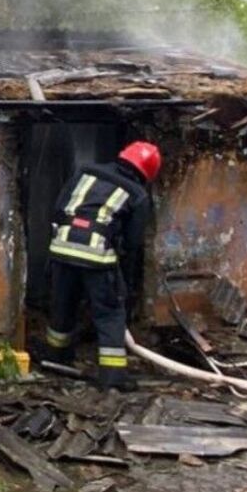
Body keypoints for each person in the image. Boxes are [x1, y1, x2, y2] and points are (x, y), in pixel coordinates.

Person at [39, 140, 159, 389]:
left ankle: (55, 359)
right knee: (110, 313)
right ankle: (113, 378)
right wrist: (125, 280)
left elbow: (59, 206)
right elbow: (133, 242)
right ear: (146, 173)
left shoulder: (86, 171)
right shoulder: (137, 195)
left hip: (62, 248)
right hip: (97, 256)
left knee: (63, 305)